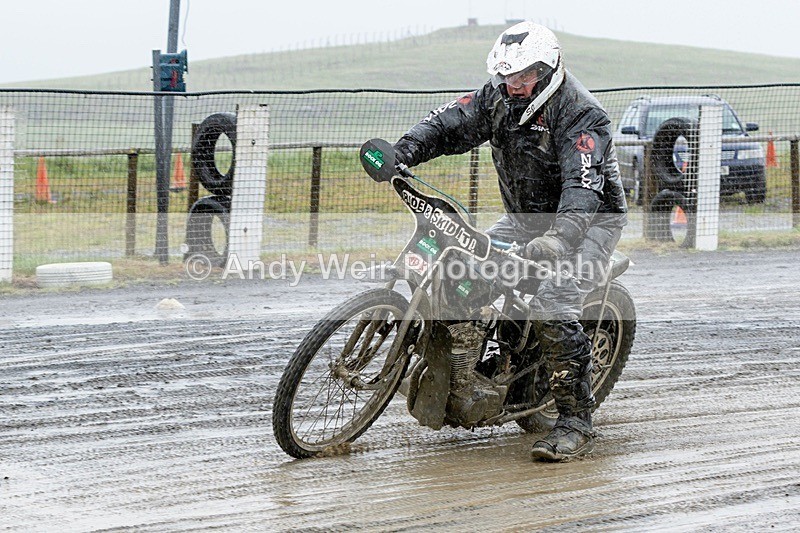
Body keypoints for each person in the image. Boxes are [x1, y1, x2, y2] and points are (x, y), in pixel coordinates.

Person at [393, 21, 628, 461]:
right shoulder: (495, 96)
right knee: (463, 270)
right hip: (524, 218)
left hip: (588, 221)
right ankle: (467, 373)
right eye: (508, 77)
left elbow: (582, 186)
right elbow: (449, 124)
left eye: (524, 77)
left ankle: (576, 421)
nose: (515, 86)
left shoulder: (582, 115)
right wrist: (401, 151)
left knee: (551, 302)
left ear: (549, 69)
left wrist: (561, 238)